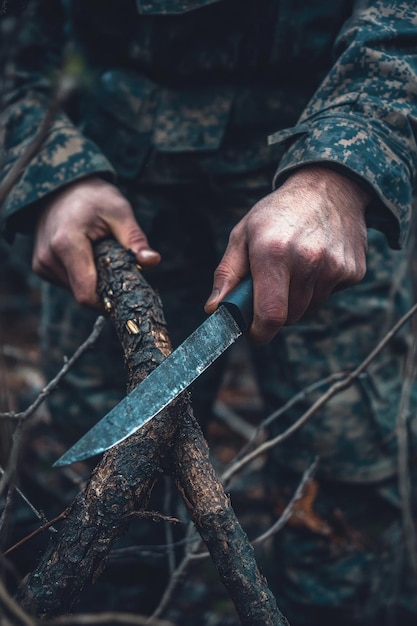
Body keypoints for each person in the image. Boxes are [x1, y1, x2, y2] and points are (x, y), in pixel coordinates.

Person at [1, 0, 417, 624]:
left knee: (342, 498)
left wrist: (342, 170)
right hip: (115, 193)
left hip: (317, 189)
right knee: (94, 492)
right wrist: (53, 174)